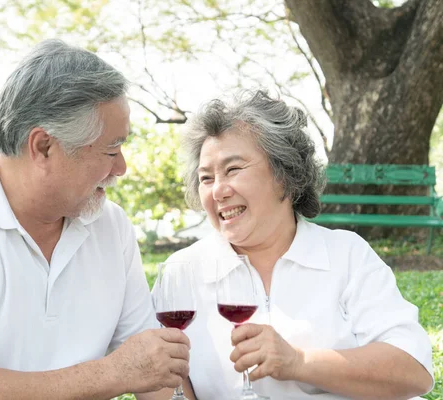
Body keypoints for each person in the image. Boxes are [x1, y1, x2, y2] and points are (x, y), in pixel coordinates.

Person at [0, 39, 194, 400]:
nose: (121, 168)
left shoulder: (110, 226)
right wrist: (113, 373)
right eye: (110, 149)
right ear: (43, 146)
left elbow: (155, 372)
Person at [165, 90, 434, 399]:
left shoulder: (347, 256)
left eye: (233, 169)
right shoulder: (182, 271)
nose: (219, 191)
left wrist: (299, 361)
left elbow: (413, 371)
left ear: (285, 174)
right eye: (206, 178)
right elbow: (166, 377)